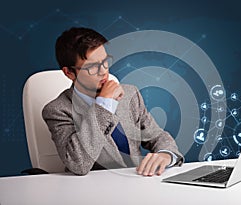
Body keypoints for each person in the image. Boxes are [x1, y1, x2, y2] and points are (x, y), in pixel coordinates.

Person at [42, 27, 184, 176]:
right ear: (69, 73)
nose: (103, 71)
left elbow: (157, 136)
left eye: (105, 61)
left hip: (139, 182)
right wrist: (104, 104)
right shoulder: (57, 110)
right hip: (96, 192)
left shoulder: (130, 94)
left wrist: (166, 154)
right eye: (92, 67)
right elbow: (78, 164)